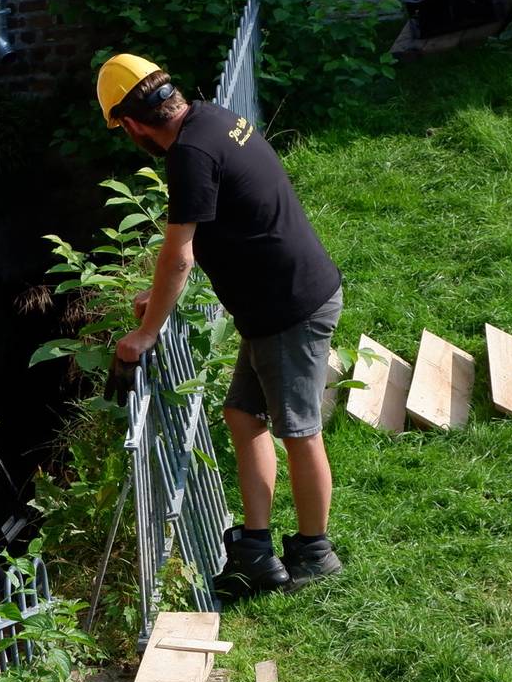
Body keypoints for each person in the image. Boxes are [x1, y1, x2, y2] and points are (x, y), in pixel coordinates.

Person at [97, 52, 344, 595]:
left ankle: (314, 552)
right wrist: (157, 294)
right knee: (241, 414)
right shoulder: (213, 120)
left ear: (132, 124)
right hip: (274, 304)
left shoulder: (188, 153)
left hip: (289, 309)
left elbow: (179, 254)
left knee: (299, 431)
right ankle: (255, 546)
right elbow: (225, 222)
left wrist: (145, 332)